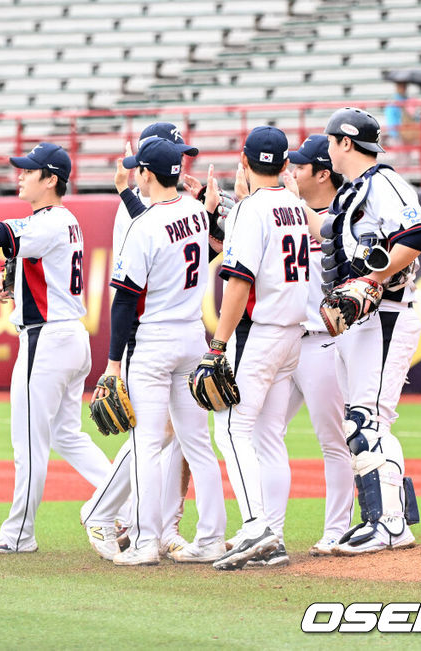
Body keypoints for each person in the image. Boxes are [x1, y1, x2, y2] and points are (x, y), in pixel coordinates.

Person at [0, 143, 112, 554]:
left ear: (51, 179)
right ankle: (124, 497)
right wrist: (9, 283)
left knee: (28, 442)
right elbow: (35, 264)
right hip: (70, 336)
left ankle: (19, 534)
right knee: (67, 435)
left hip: (45, 340)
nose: (20, 175)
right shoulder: (61, 220)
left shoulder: (48, 222)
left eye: (29, 170)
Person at [93, 137, 227, 566]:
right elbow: (203, 232)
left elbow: (125, 302)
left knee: (148, 444)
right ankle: (211, 539)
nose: (136, 174)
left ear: (148, 173)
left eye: (139, 169)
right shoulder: (194, 210)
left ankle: (147, 542)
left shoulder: (144, 226)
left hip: (153, 343)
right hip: (192, 336)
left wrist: (114, 363)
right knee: (197, 445)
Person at [313, 107, 421, 555]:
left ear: (345, 142)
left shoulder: (383, 182)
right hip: (363, 320)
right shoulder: (355, 190)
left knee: (365, 420)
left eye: (330, 141)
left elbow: (417, 233)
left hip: (387, 313)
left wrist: (373, 280)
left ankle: (386, 524)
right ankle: (392, 518)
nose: (327, 149)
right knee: (368, 421)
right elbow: (331, 238)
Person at [204, 126, 310, 571]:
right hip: (292, 335)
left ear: (243, 162)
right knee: (268, 437)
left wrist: (217, 345)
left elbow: (238, 280)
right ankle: (275, 535)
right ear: (285, 165)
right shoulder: (294, 205)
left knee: (230, 429)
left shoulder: (251, 208)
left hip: (258, 331)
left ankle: (256, 528)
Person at [276, 135, 354, 560]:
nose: (292, 172)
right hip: (289, 341)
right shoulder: (290, 212)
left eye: (300, 167)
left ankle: (337, 531)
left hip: (327, 342)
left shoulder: (345, 216)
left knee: (333, 441)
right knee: (259, 432)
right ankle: (265, 529)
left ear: (323, 173)